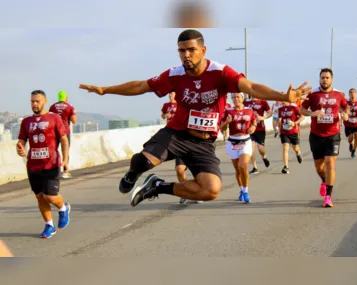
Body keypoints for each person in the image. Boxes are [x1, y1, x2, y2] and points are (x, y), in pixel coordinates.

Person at [79, 29, 311, 208]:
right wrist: (105, 90)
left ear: (203, 50)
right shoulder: (175, 75)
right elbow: (141, 85)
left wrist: (282, 96)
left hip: (203, 143)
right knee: (143, 162)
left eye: (191, 50)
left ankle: (157, 186)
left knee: (210, 190)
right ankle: (133, 173)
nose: (186, 55)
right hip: (177, 134)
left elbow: (250, 86)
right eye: (181, 51)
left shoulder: (220, 72)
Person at [16, 90, 71, 238]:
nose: (34, 104)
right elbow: (22, 140)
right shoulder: (26, 122)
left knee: (50, 197)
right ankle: (49, 225)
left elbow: (64, 140)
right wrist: (19, 147)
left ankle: (63, 208)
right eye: (32, 101)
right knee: (40, 196)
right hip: (33, 166)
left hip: (51, 164)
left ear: (45, 101)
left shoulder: (55, 118)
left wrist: (65, 160)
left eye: (37, 101)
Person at [300, 68, 349, 208]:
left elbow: (346, 108)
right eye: (322, 77)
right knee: (319, 166)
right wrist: (313, 113)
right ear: (319, 79)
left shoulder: (338, 94)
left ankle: (328, 196)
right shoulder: (313, 94)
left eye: (327, 77)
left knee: (330, 162)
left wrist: (345, 114)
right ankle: (324, 180)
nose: (325, 80)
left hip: (333, 134)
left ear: (332, 79)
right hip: (316, 135)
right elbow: (302, 110)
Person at [161, 92, 202, 204]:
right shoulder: (166, 105)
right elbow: (162, 115)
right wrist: (165, 116)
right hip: (176, 139)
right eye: (169, 94)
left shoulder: (185, 105)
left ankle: (196, 193)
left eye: (172, 94)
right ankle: (185, 192)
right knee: (179, 170)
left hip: (191, 141)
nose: (170, 96)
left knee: (196, 171)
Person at [221, 93, 256, 203]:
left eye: (238, 97)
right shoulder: (228, 111)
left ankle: (246, 191)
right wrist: (227, 122)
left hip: (245, 141)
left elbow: (254, 122)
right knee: (238, 170)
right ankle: (241, 189)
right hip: (233, 142)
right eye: (234, 97)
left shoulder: (249, 110)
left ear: (243, 98)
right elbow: (221, 127)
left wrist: (253, 128)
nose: (236, 99)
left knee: (243, 165)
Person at [49, 90, 77, 179]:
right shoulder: (69, 107)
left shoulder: (52, 106)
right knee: (65, 151)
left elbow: (49, 119)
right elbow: (74, 120)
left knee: (53, 151)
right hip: (65, 132)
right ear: (66, 97)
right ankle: (65, 171)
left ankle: (52, 171)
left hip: (54, 132)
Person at [244, 97, 272, 174]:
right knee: (251, 148)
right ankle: (255, 167)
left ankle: (264, 157)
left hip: (260, 129)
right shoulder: (246, 102)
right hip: (250, 129)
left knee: (260, 148)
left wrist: (263, 117)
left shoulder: (263, 102)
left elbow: (270, 112)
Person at [278, 101, 304, 174]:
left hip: (293, 131)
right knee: (285, 147)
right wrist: (279, 121)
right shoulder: (280, 109)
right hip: (284, 131)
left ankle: (298, 153)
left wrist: (295, 123)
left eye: (284, 100)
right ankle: (286, 166)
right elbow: (279, 118)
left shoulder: (294, 107)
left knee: (295, 147)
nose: (282, 102)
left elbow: (302, 117)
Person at [343, 88, 357, 159]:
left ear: (356, 93)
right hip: (348, 123)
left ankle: (353, 152)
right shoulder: (346, 102)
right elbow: (343, 110)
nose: (352, 93)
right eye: (351, 92)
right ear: (349, 94)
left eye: (354, 92)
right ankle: (351, 144)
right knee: (350, 139)